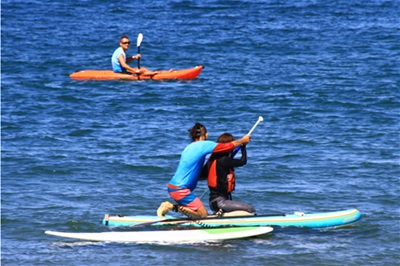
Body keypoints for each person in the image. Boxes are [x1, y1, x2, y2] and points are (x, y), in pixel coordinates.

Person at [157, 122, 251, 219]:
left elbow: (199, 175)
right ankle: (170, 207)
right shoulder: (203, 145)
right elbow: (226, 146)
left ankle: (184, 221)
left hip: (174, 187)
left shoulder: (189, 147)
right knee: (203, 215)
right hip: (180, 189)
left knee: (197, 214)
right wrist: (242, 141)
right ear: (206, 135)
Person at [206, 133, 256, 215]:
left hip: (213, 202)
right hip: (220, 202)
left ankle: (221, 215)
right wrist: (243, 146)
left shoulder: (212, 160)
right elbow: (242, 161)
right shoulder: (224, 160)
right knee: (250, 209)